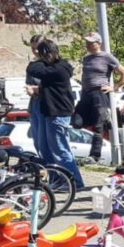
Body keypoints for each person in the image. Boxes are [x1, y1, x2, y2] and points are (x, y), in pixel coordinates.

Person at [26, 39, 84, 189]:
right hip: (49, 112)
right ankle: (57, 178)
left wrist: (40, 59)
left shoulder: (59, 69)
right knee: (45, 149)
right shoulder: (53, 68)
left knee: (59, 149)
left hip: (58, 113)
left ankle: (74, 181)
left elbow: (33, 68)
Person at [74, 32, 124, 161]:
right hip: (86, 94)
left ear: (98, 43)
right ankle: (80, 146)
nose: (88, 44)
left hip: (99, 92)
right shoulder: (86, 58)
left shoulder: (107, 57)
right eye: (87, 42)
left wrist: (114, 87)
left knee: (98, 125)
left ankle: (95, 154)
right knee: (76, 122)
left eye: (91, 42)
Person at [24, 35, 47, 164]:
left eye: (38, 48)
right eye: (33, 48)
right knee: (38, 142)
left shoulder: (52, 65)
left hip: (47, 105)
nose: (35, 51)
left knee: (47, 143)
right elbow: (28, 83)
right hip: (34, 104)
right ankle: (46, 169)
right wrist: (29, 90)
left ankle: (56, 172)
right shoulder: (32, 66)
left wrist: (37, 89)